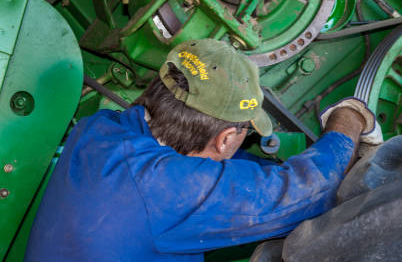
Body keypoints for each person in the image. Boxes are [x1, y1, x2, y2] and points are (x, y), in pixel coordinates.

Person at [25, 38, 382, 261]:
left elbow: (199, 172)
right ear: (226, 139)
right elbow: (310, 191)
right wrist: (349, 118)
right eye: (245, 133)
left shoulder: (99, 131)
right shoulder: (166, 191)